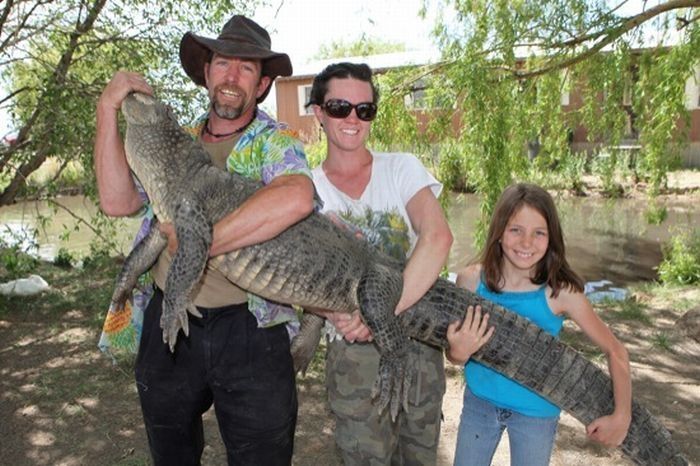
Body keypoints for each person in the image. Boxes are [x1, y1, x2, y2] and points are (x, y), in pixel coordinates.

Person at [93, 15, 315, 466]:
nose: (232, 77)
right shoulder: (173, 138)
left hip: (252, 328)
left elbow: (297, 196)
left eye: (246, 68)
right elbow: (117, 202)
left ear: (263, 84)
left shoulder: (278, 142)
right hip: (170, 320)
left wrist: (198, 242)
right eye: (222, 63)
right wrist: (106, 111)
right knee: (171, 455)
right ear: (207, 72)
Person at [305, 62, 454, 465]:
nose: (353, 118)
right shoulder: (304, 187)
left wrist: (378, 315)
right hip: (352, 352)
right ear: (318, 112)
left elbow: (438, 238)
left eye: (364, 109)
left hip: (418, 346)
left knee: (419, 458)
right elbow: (301, 274)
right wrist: (337, 315)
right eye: (339, 107)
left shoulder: (401, 167)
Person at [448, 183, 632, 466]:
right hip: (479, 403)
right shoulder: (471, 281)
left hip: (536, 413)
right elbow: (456, 353)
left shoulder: (561, 293)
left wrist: (622, 415)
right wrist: (457, 353)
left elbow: (616, 351)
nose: (526, 243)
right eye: (515, 230)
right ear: (498, 232)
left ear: (551, 237)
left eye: (538, 233)